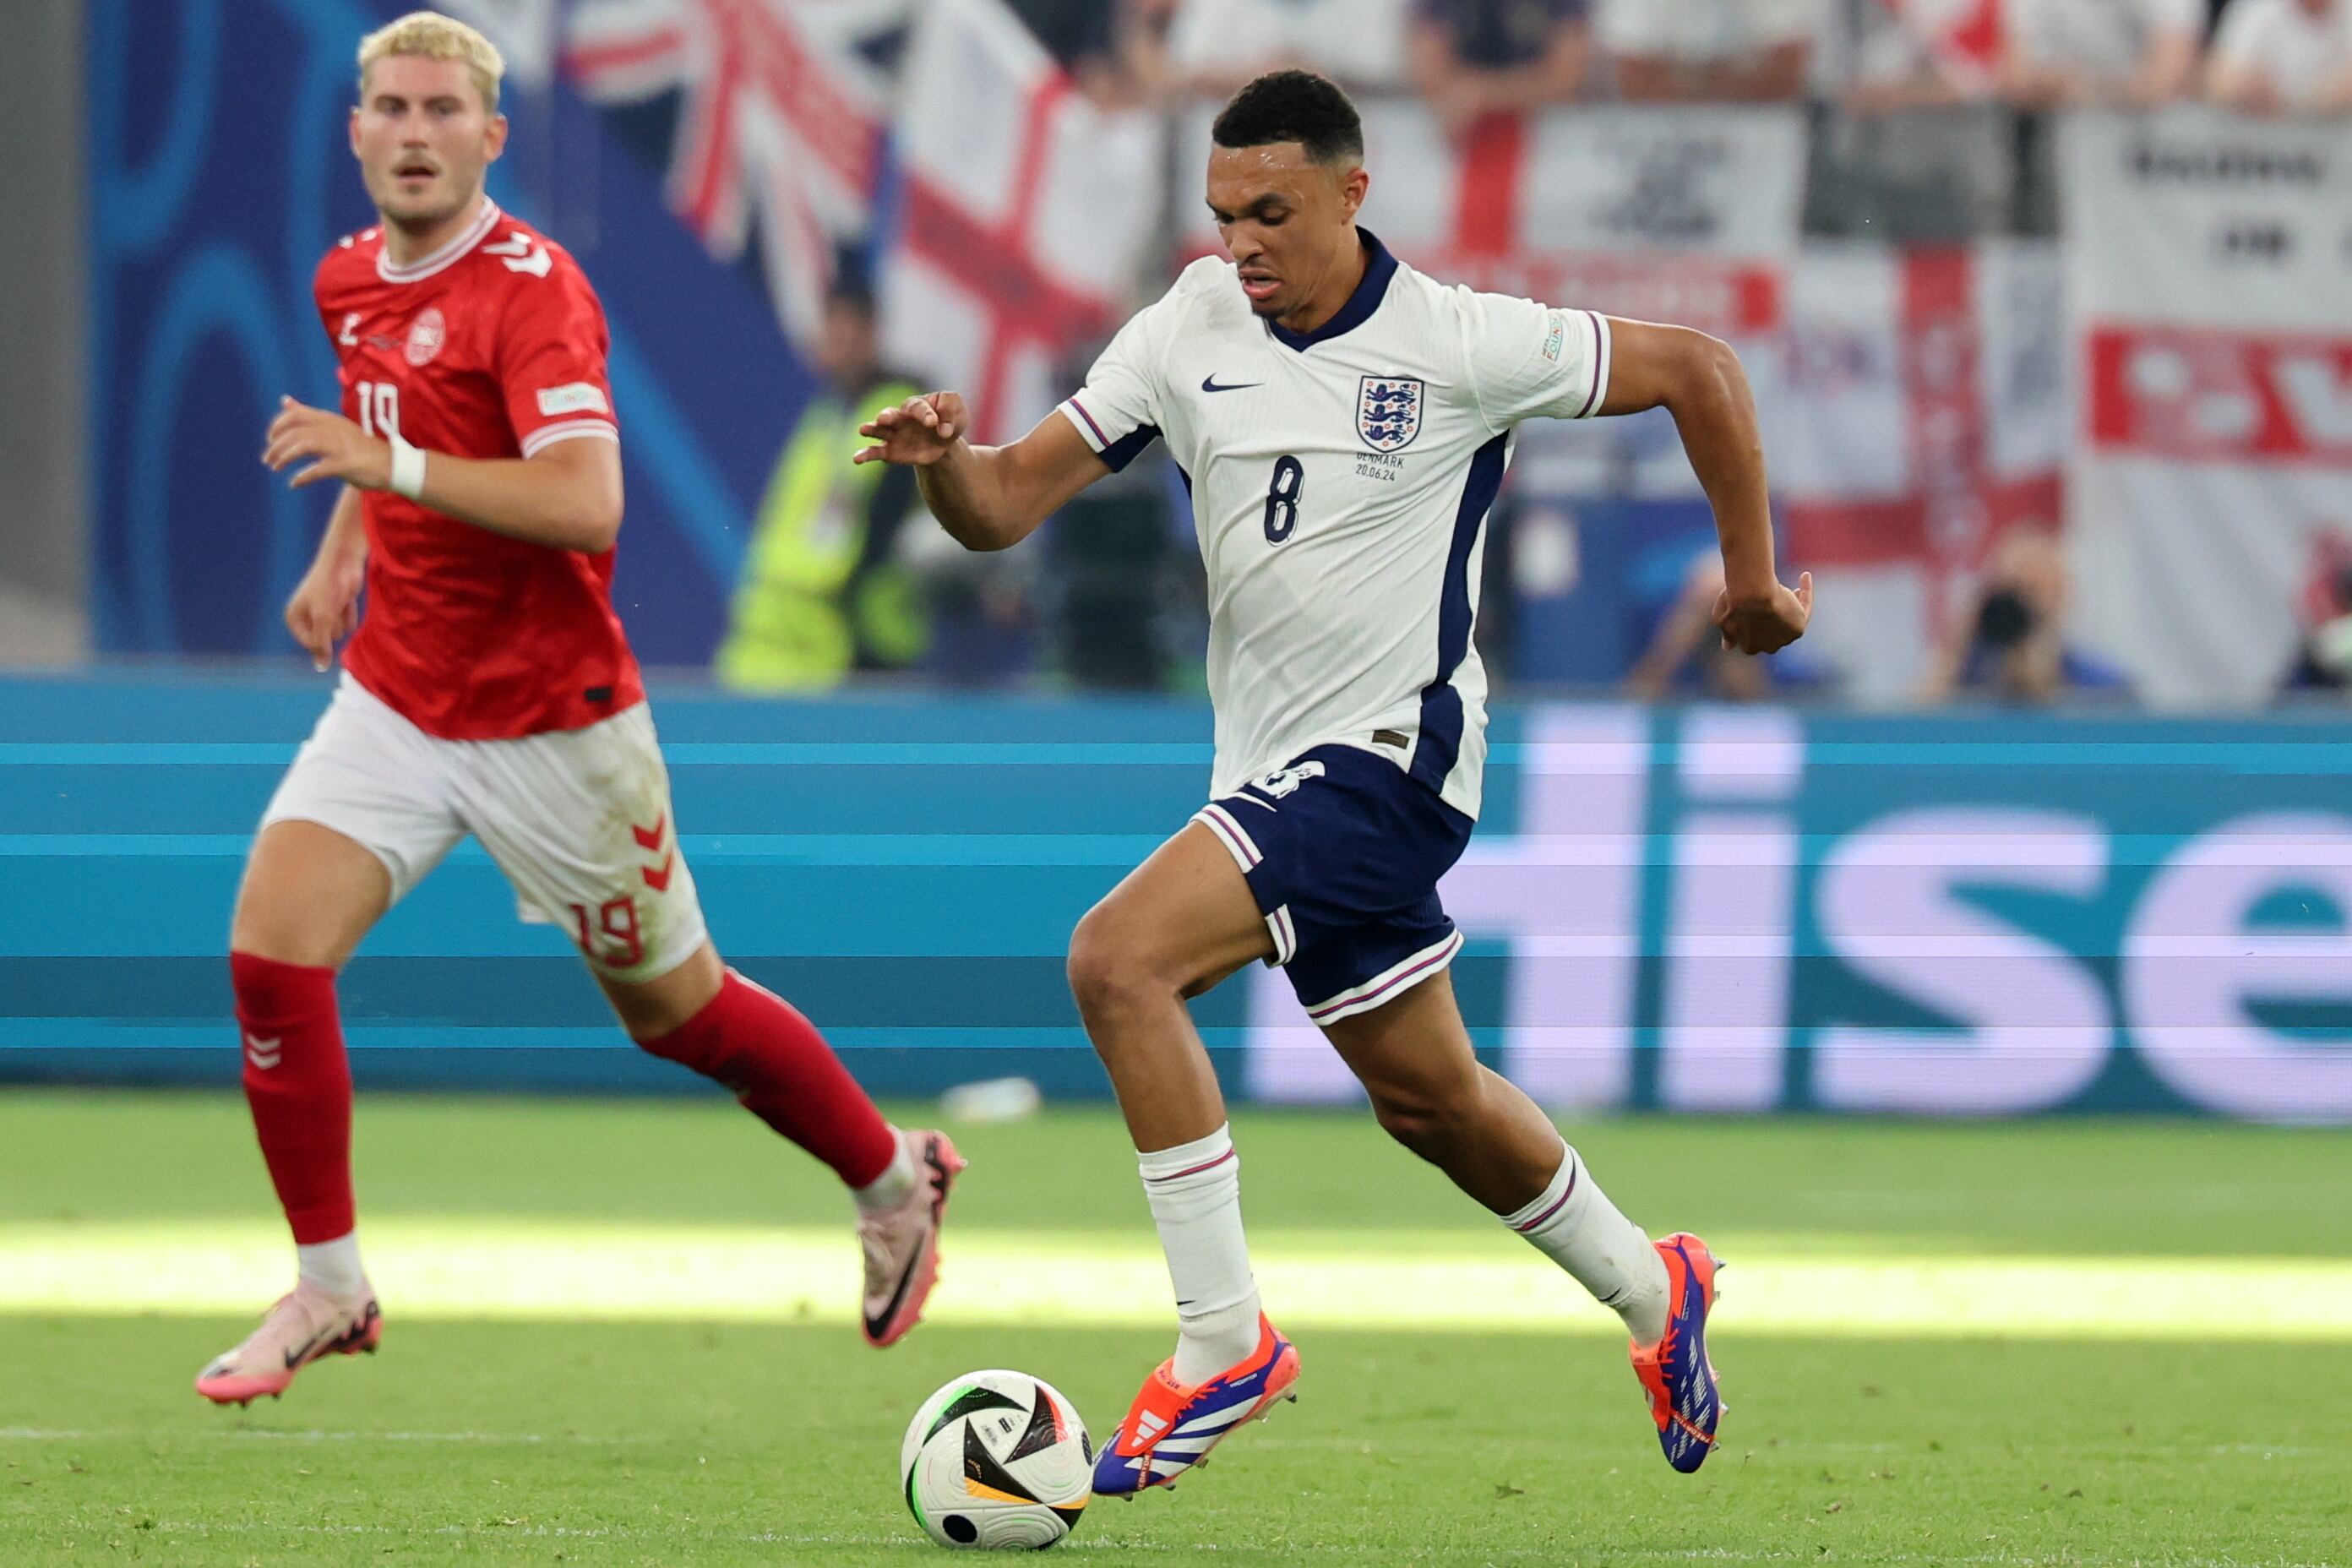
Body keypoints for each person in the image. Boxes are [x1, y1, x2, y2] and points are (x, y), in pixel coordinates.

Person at [856, 69, 1810, 1494]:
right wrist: (944, 466)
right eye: (1222, 212)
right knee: (1429, 1101)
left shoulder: (1457, 340)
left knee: (1116, 961)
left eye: (1272, 212)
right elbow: (999, 505)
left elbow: (1696, 370)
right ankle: (1652, 1287)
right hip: (1267, 773)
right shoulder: (1187, 324)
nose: (1241, 241)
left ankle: (1221, 1340)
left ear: (1351, 196)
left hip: (1388, 762)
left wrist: (1746, 586)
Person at [196, 12, 961, 1408]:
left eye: (444, 112)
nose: (416, 132)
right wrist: (341, 554)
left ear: (493, 138)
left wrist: (388, 463)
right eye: (392, 108)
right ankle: (330, 1282)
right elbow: (391, 428)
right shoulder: (347, 276)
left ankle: (891, 1178)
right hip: (399, 696)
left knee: (681, 1016)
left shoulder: (533, 288)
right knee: (269, 955)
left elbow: (582, 499)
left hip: (558, 727)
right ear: (357, 130)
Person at [716, 273, 931, 691]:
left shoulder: (902, 420)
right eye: (832, 331)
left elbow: (876, 539)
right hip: (783, 646)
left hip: (856, 648)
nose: (838, 346)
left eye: (849, 332)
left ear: (872, 333)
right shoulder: (824, 419)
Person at [1407, 0, 1593, 139]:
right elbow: (1429, 73)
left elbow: (1567, 77)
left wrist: (1482, 94)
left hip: (1548, 141)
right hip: (1461, 143)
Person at [1595, 0, 1820, 102]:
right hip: (1660, 141)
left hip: (1768, 148)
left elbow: (1786, 75)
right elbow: (1634, 80)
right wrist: (1734, 83)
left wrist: (1687, 84)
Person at [2001, 0, 2205, 107]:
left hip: (2156, 152)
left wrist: (2089, 92)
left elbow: (2168, 77)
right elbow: (2017, 78)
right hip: (2062, 152)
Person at [2207, 0, 2352, 114]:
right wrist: (2243, 86)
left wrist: (2300, 103)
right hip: (2264, 134)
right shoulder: (2257, 11)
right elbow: (2219, 81)